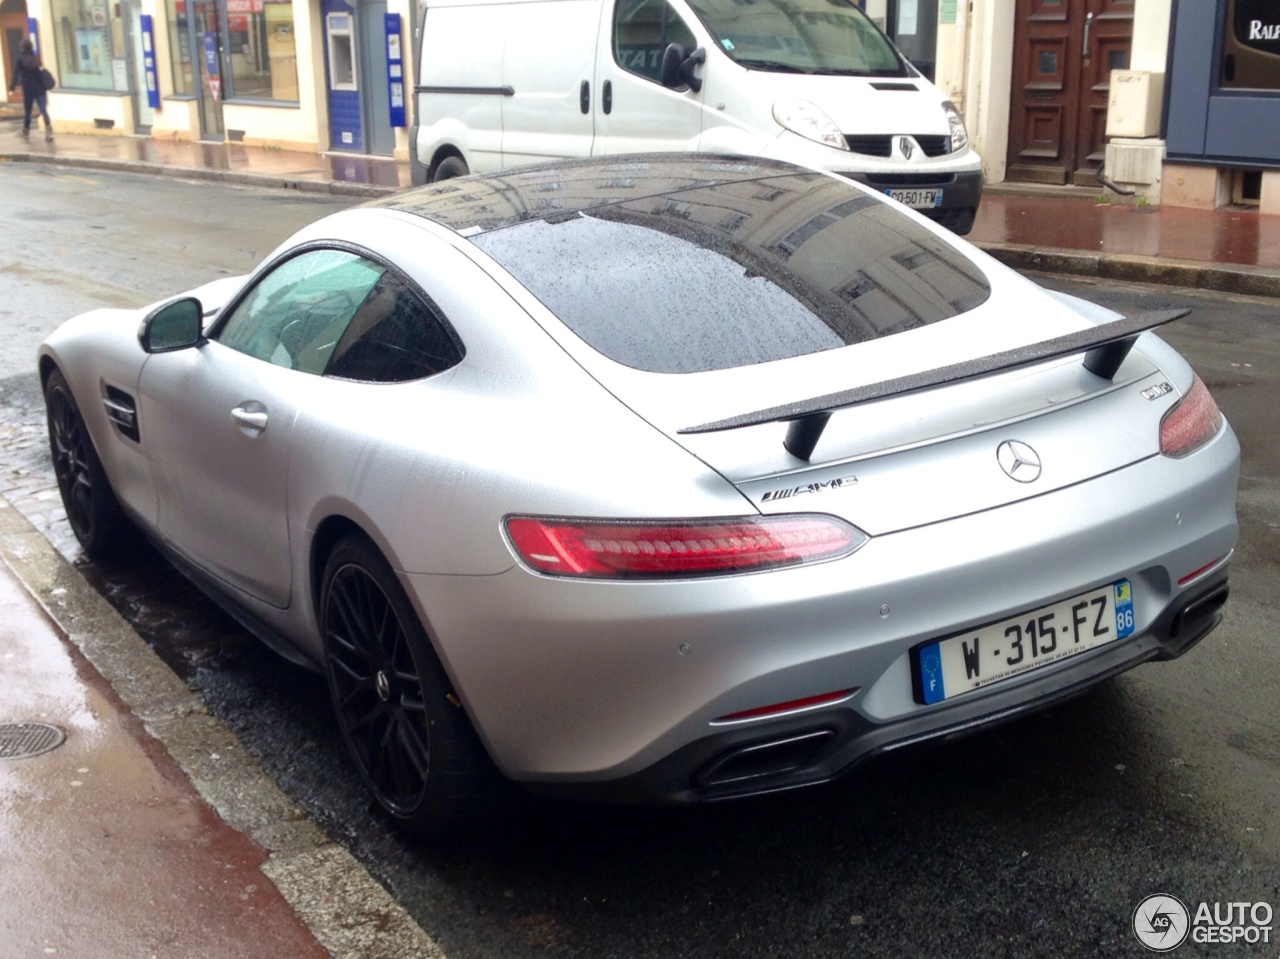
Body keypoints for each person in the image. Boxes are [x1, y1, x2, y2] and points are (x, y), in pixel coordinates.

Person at [8, 39, 53, 142]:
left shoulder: (19, 59)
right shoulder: (35, 58)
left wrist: (12, 88)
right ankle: (49, 132)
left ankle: (26, 131)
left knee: (28, 111)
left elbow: (15, 74)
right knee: (43, 110)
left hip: (28, 89)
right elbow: (41, 71)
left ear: (22, 47)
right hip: (40, 88)